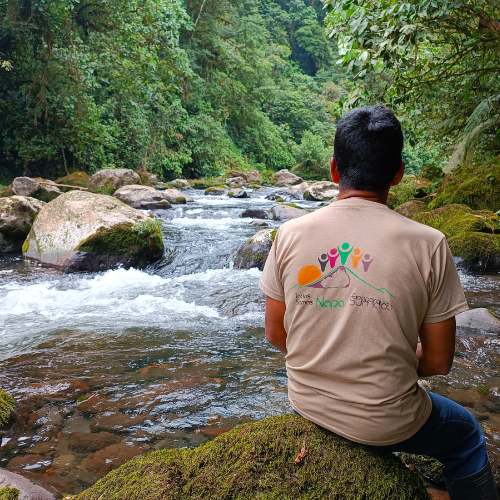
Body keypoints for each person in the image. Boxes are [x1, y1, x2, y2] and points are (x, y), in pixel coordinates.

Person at [259, 105, 498, 500]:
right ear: (399, 173)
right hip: (387, 421)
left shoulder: (289, 234)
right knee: (468, 435)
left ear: (335, 170)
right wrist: (389, 356)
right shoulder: (429, 243)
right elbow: (438, 362)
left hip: (307, 404)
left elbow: (274, 332)